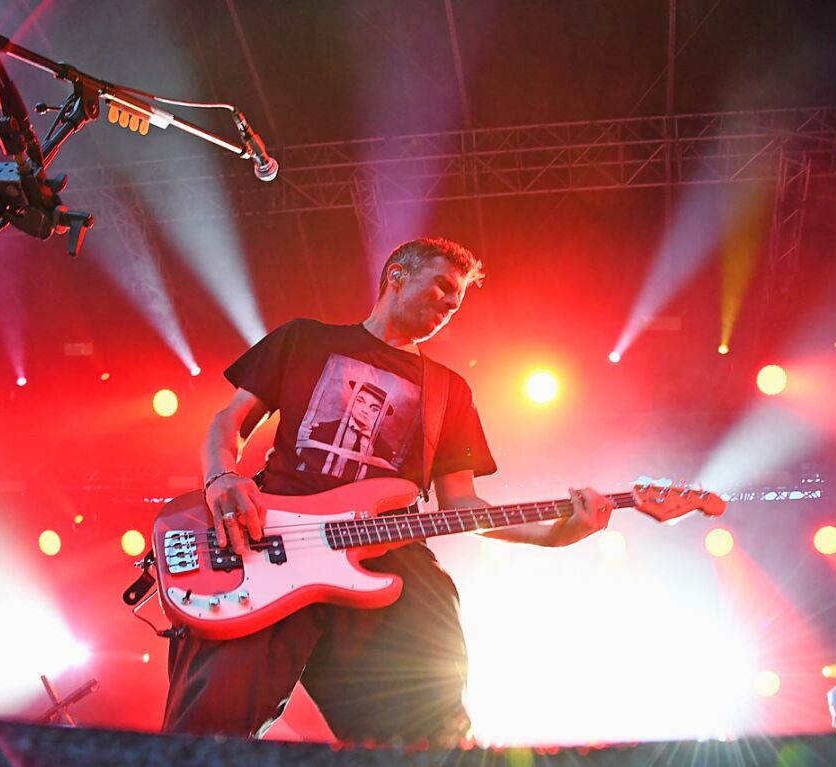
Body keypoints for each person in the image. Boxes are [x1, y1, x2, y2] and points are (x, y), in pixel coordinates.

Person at [162, 237, 612, 744]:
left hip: (386, 555)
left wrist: (558, 534)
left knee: (429, 720)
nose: (450, 305)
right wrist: (222, 477)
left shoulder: (449, 391)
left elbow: (462, 504)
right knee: (209, 725)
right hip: (268, 539)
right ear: (396, 275)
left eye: (457, 301)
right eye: (442, 286)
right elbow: (230, 421)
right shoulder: (304, 339)